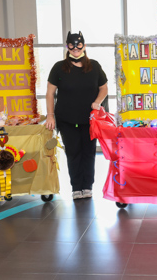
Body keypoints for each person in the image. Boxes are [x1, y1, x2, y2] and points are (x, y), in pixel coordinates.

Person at [45, 31, 108, 200]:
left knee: (88, 152)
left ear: (84, 46)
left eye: (78, 45)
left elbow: (104, 88)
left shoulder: (94, 66)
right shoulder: (59, 67)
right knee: (72, 153)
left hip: (89, 120)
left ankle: (87, 186)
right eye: (71, 45)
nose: (75, 49)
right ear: (67, 47)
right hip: (67, 119)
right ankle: (76, 187)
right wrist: (50, 115)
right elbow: (50, 93)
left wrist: (98, 102)